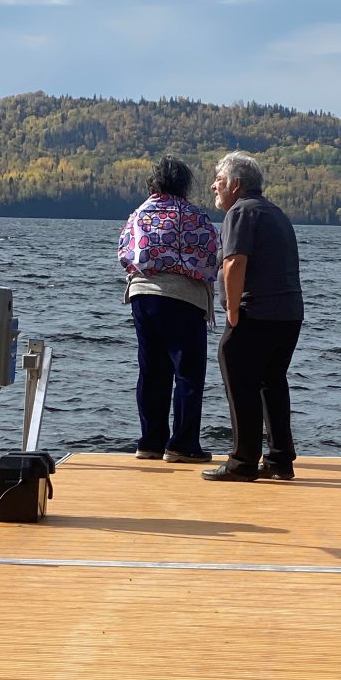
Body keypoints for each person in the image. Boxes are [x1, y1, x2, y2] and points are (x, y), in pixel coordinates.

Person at [202, 151, 303, 483]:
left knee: (236, 371)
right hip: (288, 315)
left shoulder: (241, 212)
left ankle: (243, 461)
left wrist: (231, 310)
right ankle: (280, 459)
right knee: (272, 382)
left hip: (256, 311)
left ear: (236, 184)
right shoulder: (274, 212)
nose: (214, 186)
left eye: (219, 180)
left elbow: (234, 262)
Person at [118, 155, 219, 462]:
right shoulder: (195, 215)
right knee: (187, 373)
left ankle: (150, 442)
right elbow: (211, 256)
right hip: (183, 297)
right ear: (185, 183)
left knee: (151, 371)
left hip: (143, 295)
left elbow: (125, 251)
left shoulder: (139, 213)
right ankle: (183, 444)